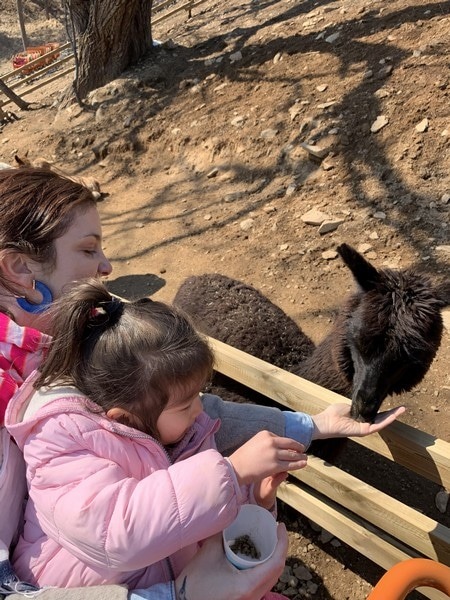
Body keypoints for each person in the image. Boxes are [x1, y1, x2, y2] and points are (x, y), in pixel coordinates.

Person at [0, 166, 405, 599]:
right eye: (87, 249)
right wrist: (180, 595)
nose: (106, 266)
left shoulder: (66, 345)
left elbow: (185, 417)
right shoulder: (52, 403)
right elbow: (109, 527)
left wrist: (306, 426)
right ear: (20, 267)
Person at [6, 278, 308, 600]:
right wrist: (231, 472)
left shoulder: (181, 430)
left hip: (174, 577)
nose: (200, 409)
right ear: (125, 419)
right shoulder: (62, 445)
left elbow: (189, 511)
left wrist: (252, 499)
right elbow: (120, 533)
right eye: (187, 403)